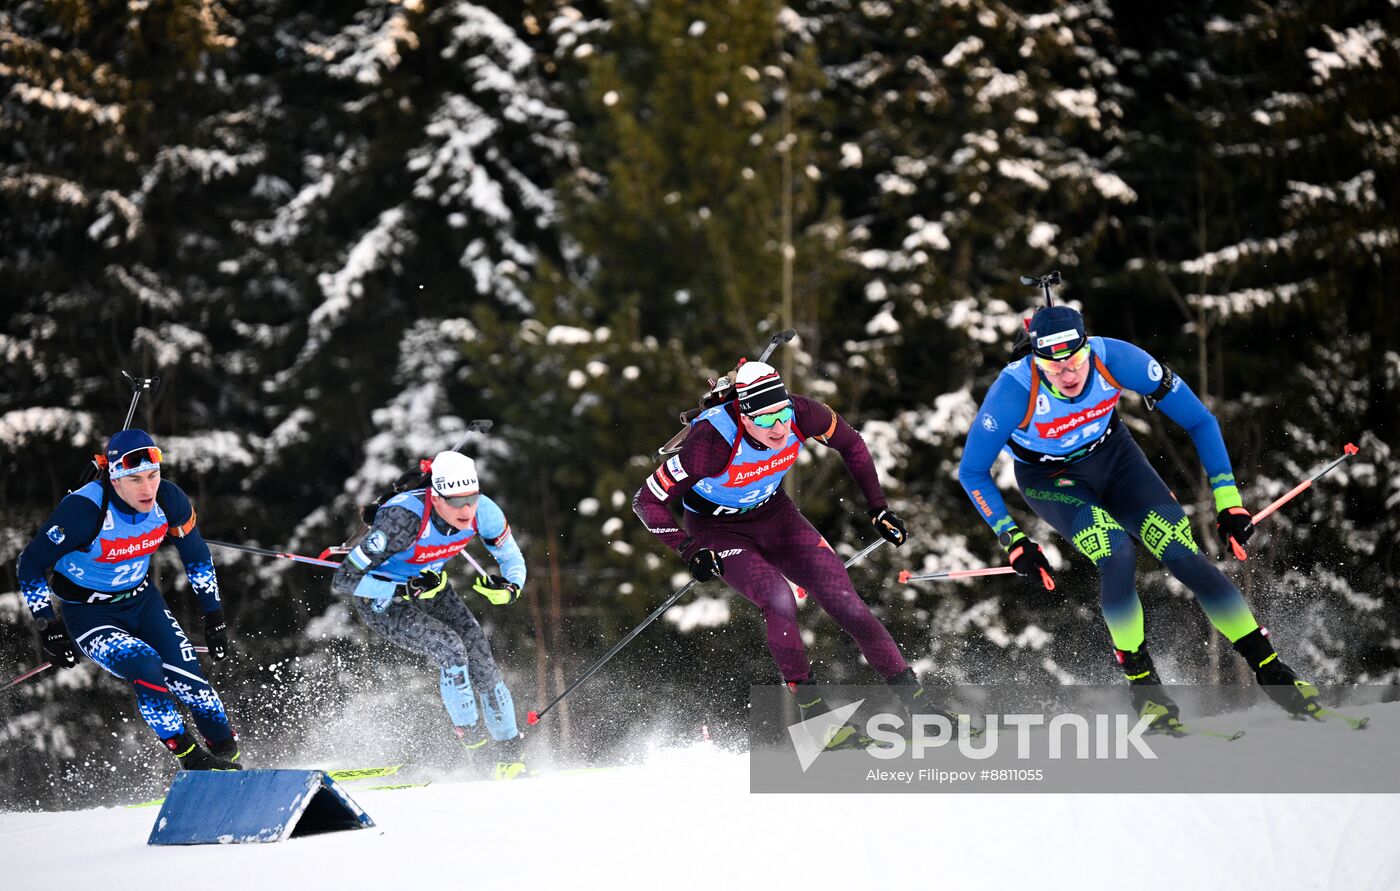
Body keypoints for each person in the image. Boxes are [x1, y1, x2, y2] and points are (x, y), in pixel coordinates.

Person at [957, 300, 1319, 725]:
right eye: (1053, 370)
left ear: (1087, 347)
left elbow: (1201, 421)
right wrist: (1012, 539)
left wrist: (1228, 502)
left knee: (1184, 554)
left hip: (1116, 460)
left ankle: (1273, 672)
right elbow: (973, 471)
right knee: (1116, 553)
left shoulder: (1120, 359)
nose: (1068, 376)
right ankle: (1145, 690)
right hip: (1050, 478)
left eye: (1074, 362)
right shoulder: (1014, 390)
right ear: (1036, 361)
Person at [633, 359, 950, 735]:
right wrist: (689, 550)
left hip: (775, 516)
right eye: (766, 420)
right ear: (744, 417)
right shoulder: (710, 443)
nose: (780, 428)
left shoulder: (803, 414)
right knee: (779, 598)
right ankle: (817, 723)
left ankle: (922, 708)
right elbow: (645, 501)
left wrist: (878, 508)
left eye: (781, 414)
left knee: (848, 603)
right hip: (717, 529)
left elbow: (853, 444)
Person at [15, 429, 241, 770]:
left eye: (153, 475)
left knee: (198, 691)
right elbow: (29, 564)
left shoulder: (170, 500)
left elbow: (195, 556)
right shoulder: (83, 511)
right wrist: (48, 626)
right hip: (89, 614)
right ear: (115, 479)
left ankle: (231, 763)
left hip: (142, 602)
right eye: (135, 479)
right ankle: (193, 760)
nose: (147, 488)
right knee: (145, 664)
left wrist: (214, 615)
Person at [331, 450, 529, 779]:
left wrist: (510, 588)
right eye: (456, 502)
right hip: (384, 599)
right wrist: (403, 591)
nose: (466, 510)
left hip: (433, 588)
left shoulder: (485, 512)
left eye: (472, 498)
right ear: (435, 498)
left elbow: (511, 556)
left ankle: (510, 757)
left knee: (480, 653)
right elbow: (345, 579)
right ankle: (478, 757)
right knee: (451, 649)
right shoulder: (401, 520)